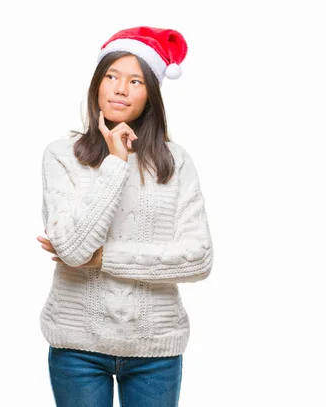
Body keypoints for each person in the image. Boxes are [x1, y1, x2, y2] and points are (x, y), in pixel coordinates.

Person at [35, 26, 213, 407]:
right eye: (111, 77)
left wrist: (106, 259)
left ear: (151, 95)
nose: (120, 88)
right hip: (77, 346)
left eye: (135, 81)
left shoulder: (175, 162)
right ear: (97, 85)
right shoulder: (60, 156)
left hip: (155, 350)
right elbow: (73, 249)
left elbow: (198, 257)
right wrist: (115, 163)